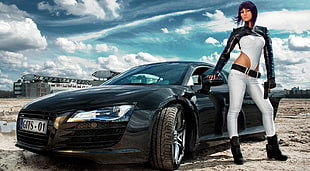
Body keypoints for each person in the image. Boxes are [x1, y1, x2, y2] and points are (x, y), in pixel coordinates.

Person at [207, 1, 288, 165]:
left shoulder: (263, 32)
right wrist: (216, 70)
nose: (244, 13)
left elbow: (268, 56)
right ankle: (236, 150)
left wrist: (271, 78)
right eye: (241, 11)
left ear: (253, 12)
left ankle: (273, 149)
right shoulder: (237, 32)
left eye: (247, 11)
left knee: (267, 109)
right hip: (237, 74)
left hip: (255, 78)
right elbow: (225, 53)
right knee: (234, 110)